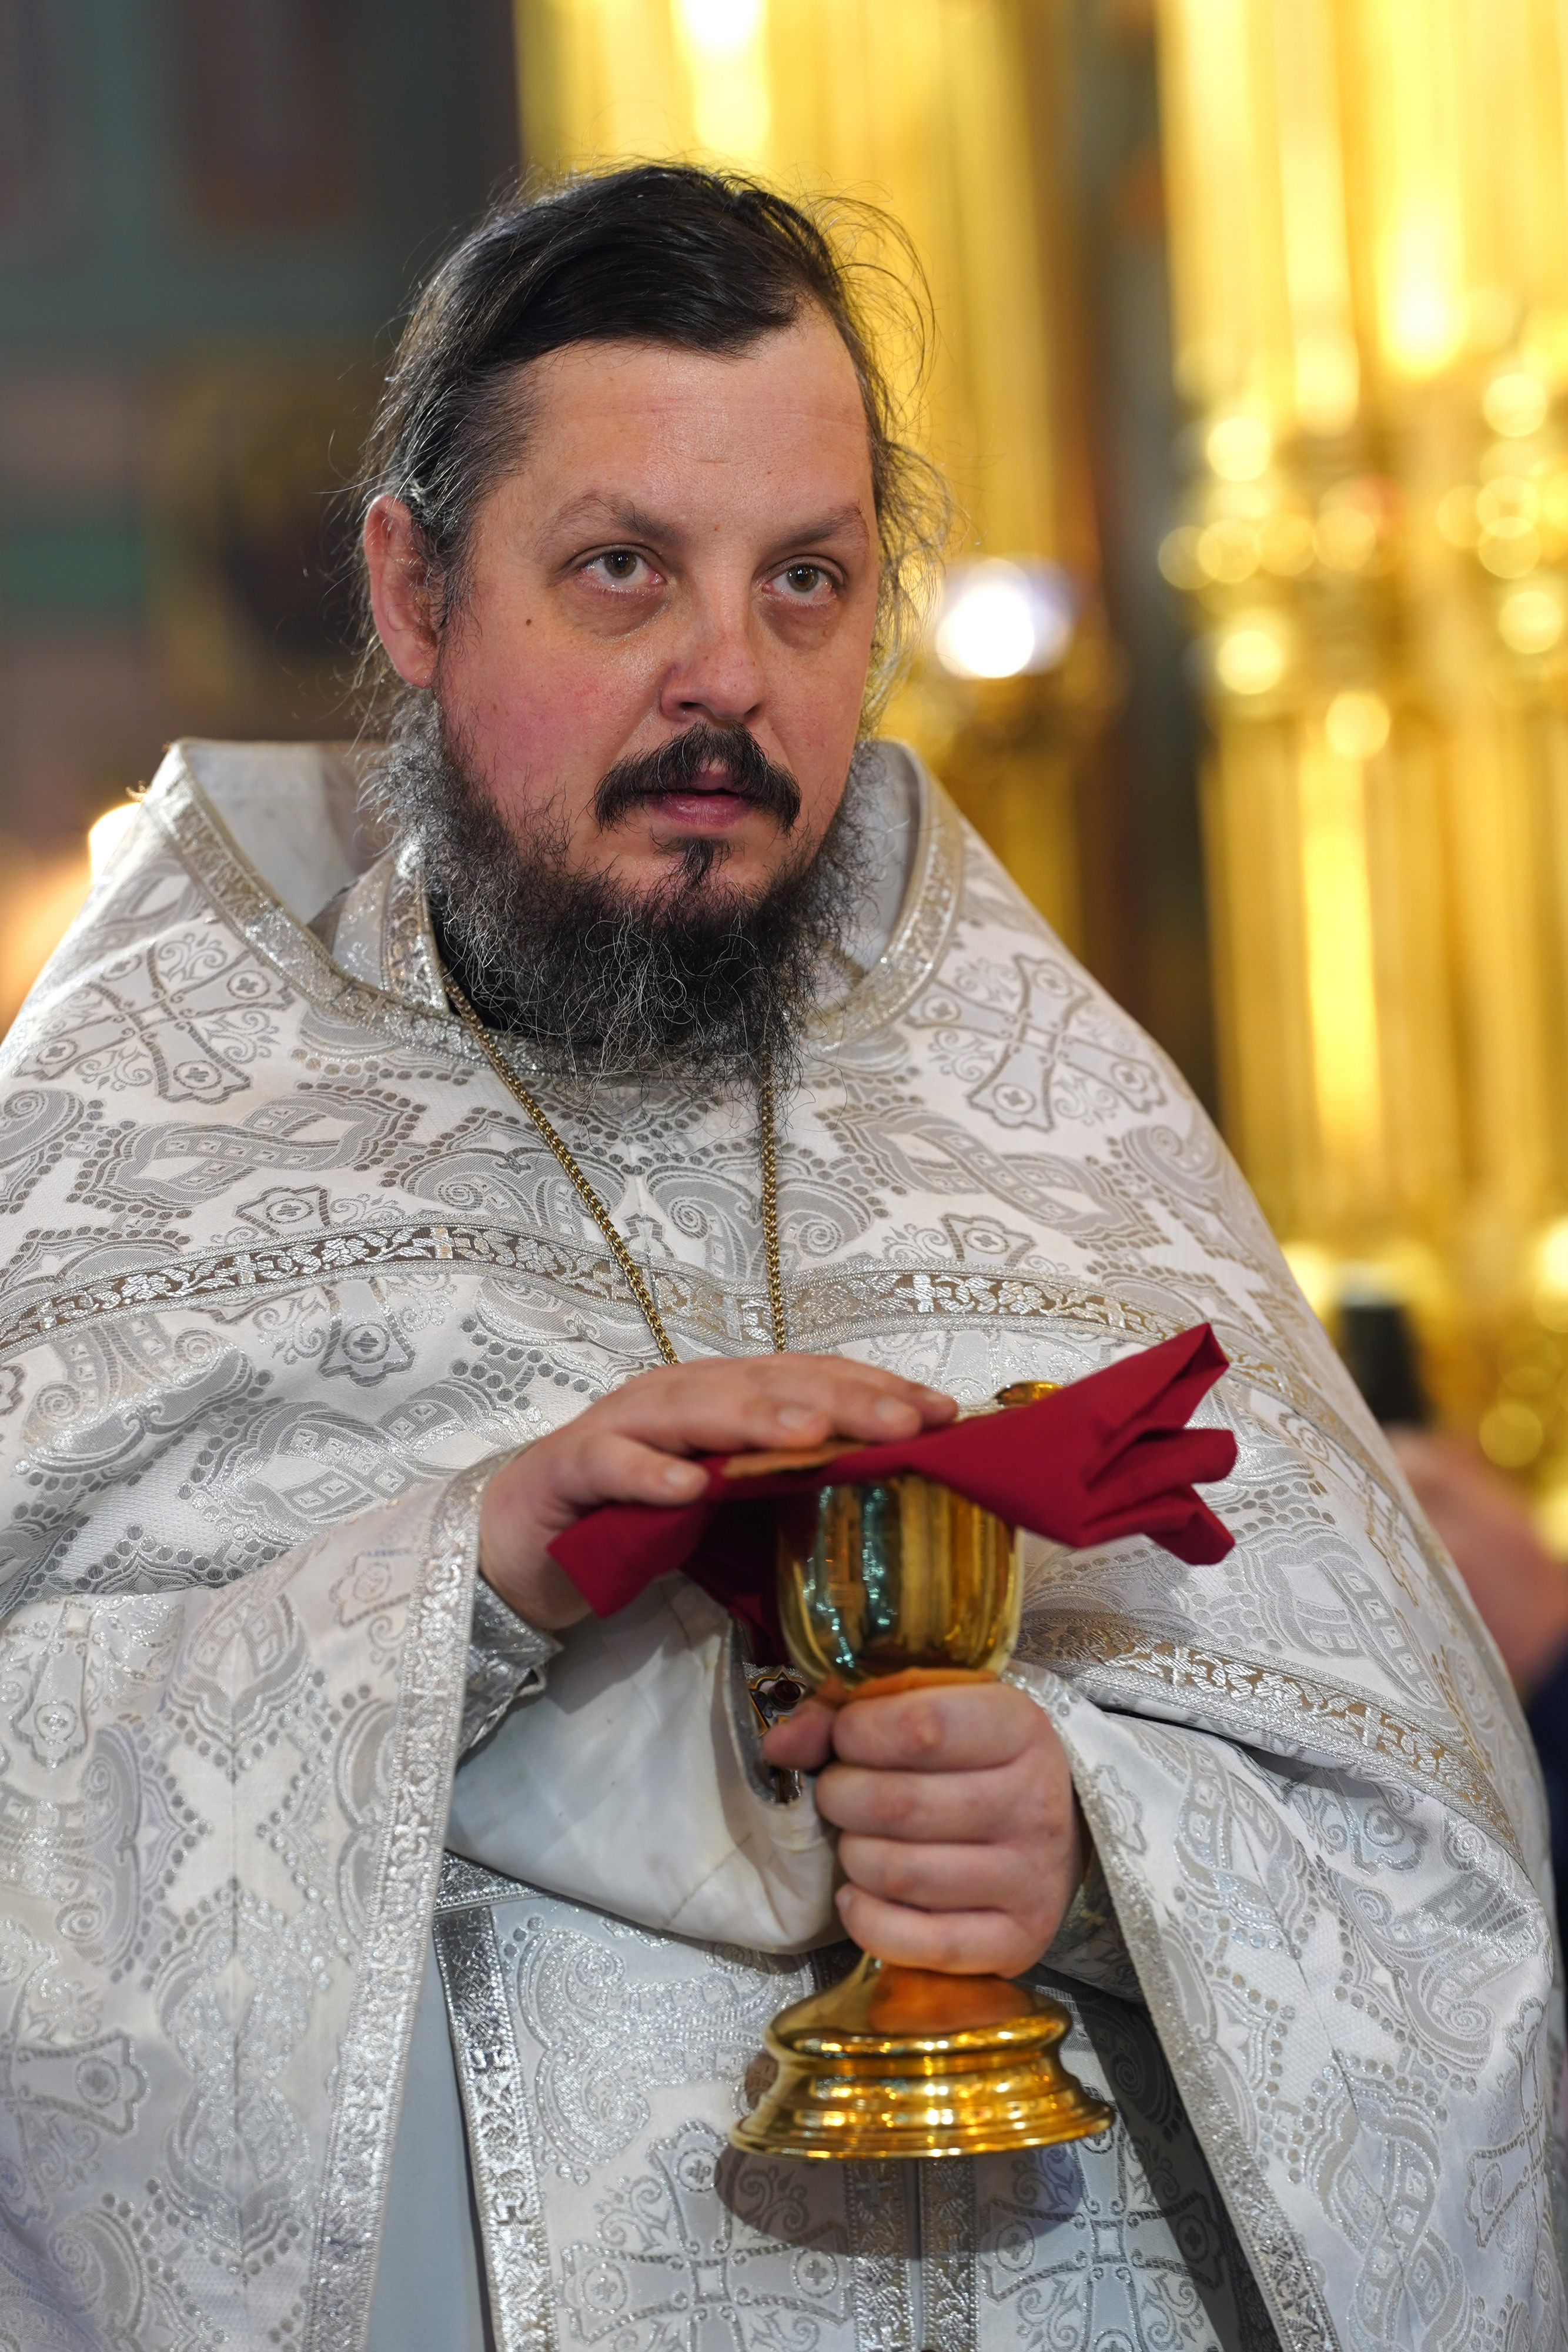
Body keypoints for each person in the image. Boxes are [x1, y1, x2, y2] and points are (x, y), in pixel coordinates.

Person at [0, 165, 1557, 2352]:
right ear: (417, 590)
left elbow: (1428, 1843)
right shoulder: (157, 1109)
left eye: (806, 584)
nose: (725, 680)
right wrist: (462, 1577)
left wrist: (1098, 1849)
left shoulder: (1044, 1103)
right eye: (622, 571)